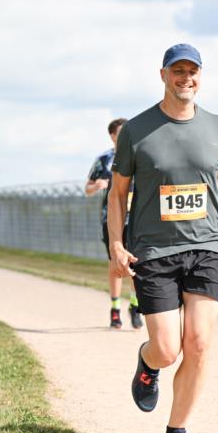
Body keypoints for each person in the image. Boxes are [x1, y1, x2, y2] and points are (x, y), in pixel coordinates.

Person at [109, 43, 218, 433]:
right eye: (178, 71)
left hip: (207, 246)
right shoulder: (136, 130)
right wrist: (117, 243)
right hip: (154, 249)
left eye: (192, 71)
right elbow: (117, 193)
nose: (186, 78)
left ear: (200, 76)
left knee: (199, 344)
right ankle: (148, 364)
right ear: (163, 75)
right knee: (167, 349)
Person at [87, 118, 143, 330]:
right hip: (111, 218)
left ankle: (135, 306)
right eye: (122, 132)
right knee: (116, 263)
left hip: (137, 217)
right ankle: (115, 308)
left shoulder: (140, 155)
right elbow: (87, 188)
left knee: (137, 264)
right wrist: (97, 185)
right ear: (112, 136)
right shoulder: (104, 159)